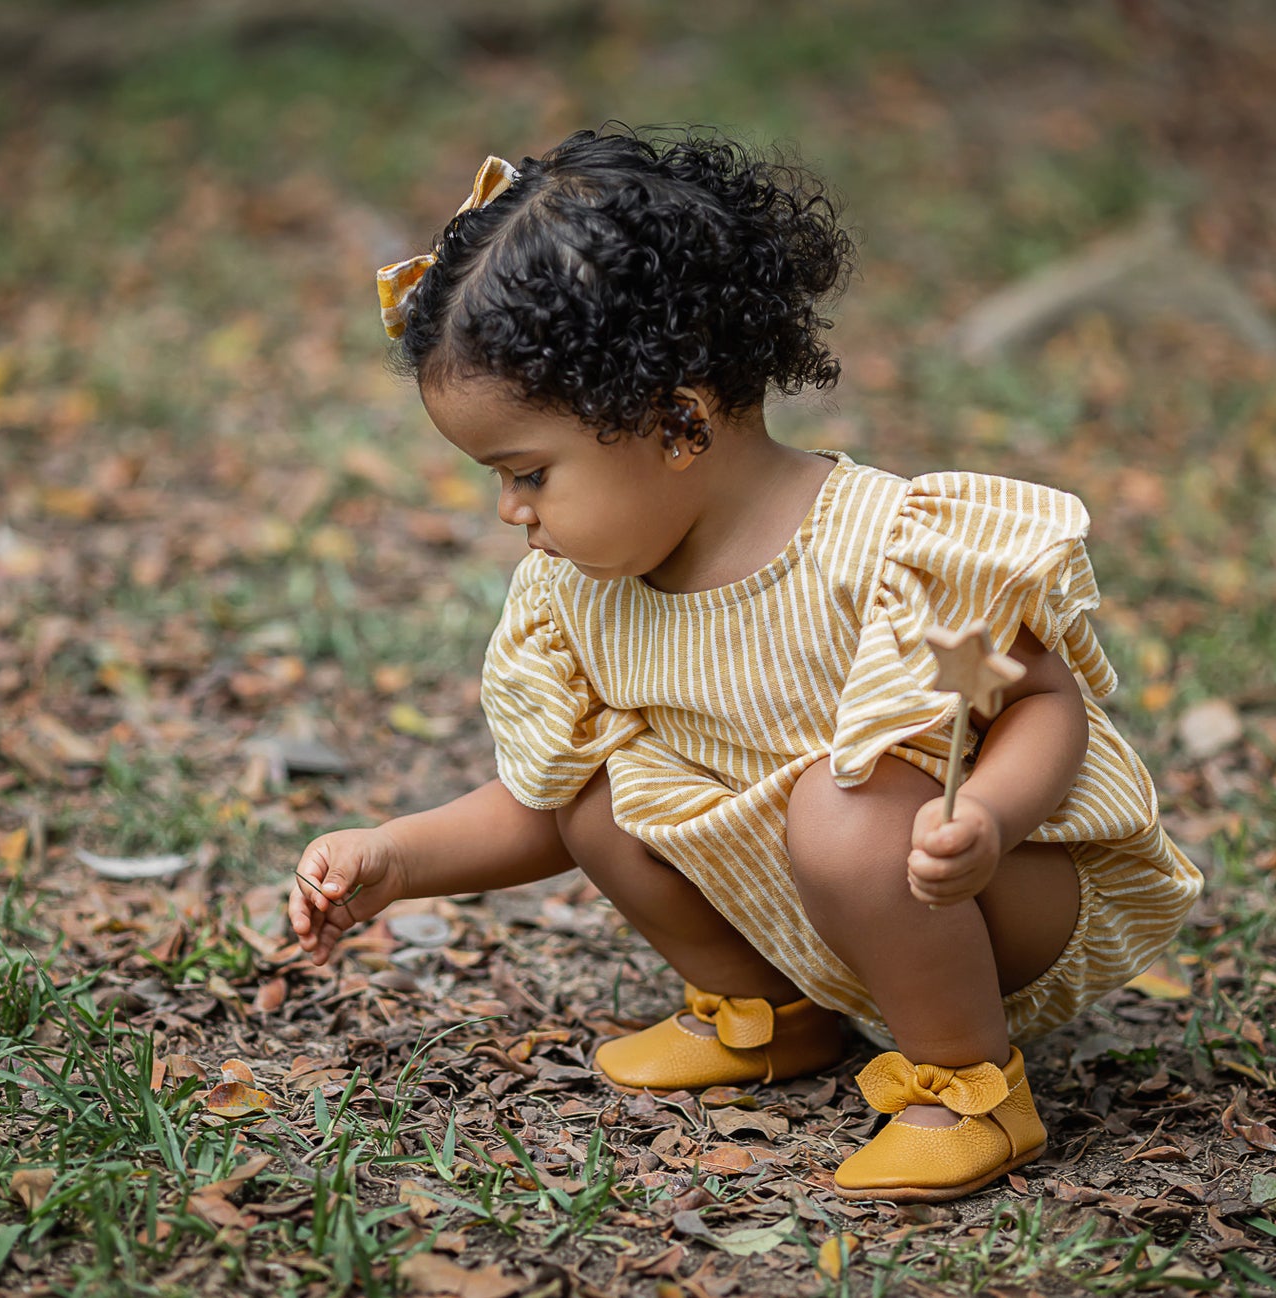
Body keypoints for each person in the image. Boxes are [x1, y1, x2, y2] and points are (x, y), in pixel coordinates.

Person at [287, 128, 1203, 1203]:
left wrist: (990, 817)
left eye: (529, 473)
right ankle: (771, 1013)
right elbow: (541, 804)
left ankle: (969, 1086)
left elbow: (1045, 705)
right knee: (595, 783)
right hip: (814, 907)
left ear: (678, 423)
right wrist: (397, 858)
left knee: (842, 805)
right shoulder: (583, 594)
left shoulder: (881, 548)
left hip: (988, 892)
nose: (509, 511)